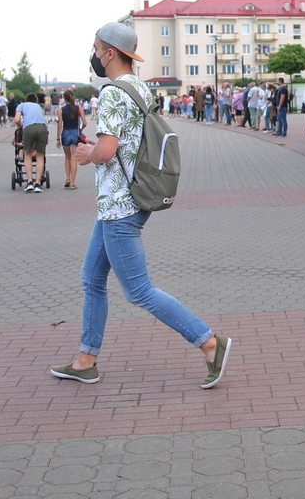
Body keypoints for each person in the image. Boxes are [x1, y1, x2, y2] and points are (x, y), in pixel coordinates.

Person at [52, 21, 230, 388]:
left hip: (120, 207)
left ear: (110, 53)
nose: (95, 55)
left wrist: (86, 154)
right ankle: (86, 359)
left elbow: (106, 149)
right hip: (119, 205)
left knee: (138, 290)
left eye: (97, 48)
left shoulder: (114, 92)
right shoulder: (138, 88)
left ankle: (210, 343)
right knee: (91, 278)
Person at [15, 93, 49, 192]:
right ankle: (38, 183)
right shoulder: (38, 106)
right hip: (42, 127)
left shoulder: (21, 105)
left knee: (28, 154)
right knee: (40, 155)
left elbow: (17, 119)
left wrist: (20, 126)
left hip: (29, 127)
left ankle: (30, 182)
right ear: (36, 101)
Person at [57, 89, 87, 190]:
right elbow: (85, 122)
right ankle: (73, 183)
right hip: (75, 133)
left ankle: (67, 178)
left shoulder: (61, 110)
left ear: (64, 99)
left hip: (65, 133)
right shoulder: (79, 108)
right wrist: (80, 130)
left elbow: (60, 125)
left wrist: (58, 138)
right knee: (74, 158)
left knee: (67, 158)